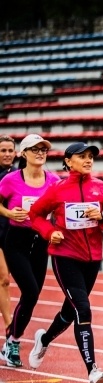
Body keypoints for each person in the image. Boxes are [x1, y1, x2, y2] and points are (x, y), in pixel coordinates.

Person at [27, 142, 103, 383]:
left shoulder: (102, 189)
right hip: (65, 257)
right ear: (68, 161)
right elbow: (35, 214)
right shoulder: (57, 190)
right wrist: (50, 232)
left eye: (91, 156)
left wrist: (102, 219)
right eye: (82, 156)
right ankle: (93, 370)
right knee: (83, 308)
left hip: (92, 260)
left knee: (70, 312)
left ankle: (44, 338)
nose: (88, 160)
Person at [0, 134, 60, 368]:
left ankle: (11, 340)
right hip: (16, 240)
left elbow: (61, 207)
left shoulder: (53, 180)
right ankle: (13, 342)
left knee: (31, 297)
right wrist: (9, 213)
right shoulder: (11, 180)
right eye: (34, 149)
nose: (40, 153)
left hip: (41, 241)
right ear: (23, 154)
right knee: (31, 291)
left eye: (43, 149)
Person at [0, 135, 17, 332]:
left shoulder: (18, 174)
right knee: (4, 279)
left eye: (9, 150)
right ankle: (9, 326)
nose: (6, 154)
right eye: (2, 150)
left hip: (13, 233)